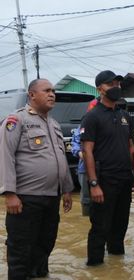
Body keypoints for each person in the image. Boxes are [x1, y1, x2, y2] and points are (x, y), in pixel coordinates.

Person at [0, 79, 73, 279]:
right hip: (25, 198)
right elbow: (5, 155)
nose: (52, 94)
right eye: (47, 91)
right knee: (21, 251)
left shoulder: (54, 124)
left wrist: (66, 189)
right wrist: (9, 193)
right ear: (32, 95)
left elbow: (60, 158)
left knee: (45, 245)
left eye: (53, 91)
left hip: (51, 197)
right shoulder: (17, 120)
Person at [80, 70, 134, 266]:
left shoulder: (124, 115)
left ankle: (116, 266)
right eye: (110, 84)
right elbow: (87, 151)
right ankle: (96, 267)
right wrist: (93, 184)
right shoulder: (92, 117)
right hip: (103, 180)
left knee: (120, 225)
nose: (115, 88)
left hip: (124, 179)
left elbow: (131, 146)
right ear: (100, 89)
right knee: (100, 226)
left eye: (117, 84)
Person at [72, 103, 97, 216]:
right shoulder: (82, 126)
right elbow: (75, 144)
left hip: (105, 168)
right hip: (85, 168)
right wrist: (80, 153)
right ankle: (86, 217)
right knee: (86, 197)